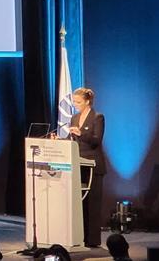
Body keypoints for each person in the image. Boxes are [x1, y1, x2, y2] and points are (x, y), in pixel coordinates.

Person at [68, 87, 105, 247]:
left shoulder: (98, 117)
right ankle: (79, 237)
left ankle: (92, 240)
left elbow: (96, 140)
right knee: (79, 204)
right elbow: (73, 141)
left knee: (92, 204)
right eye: (74, 101)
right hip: (78, 164)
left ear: (87, 101)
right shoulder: (74, 117)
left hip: (93, 165)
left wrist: (81, 133)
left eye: (78, 102)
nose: (75, 104)